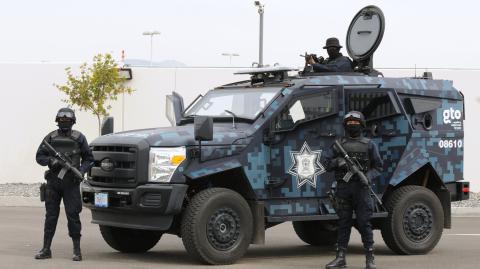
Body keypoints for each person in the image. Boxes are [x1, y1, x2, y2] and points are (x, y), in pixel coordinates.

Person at [325, 111, 383, 269]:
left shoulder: (370, 144)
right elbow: (326, 164)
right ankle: (340, 258)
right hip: (344, 188)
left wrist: (367, 176)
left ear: (362, 125)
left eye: (355, 123)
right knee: (344, 223)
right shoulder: (339, 144)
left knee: (364, 223)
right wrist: (339, 162)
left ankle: (370, 258)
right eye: (349, 123)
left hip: (362, 189)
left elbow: (378, 167)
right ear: (345, 125)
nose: (352, 125)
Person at [34, 108, 93, 261]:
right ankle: (46, 249)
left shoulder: (79, 138)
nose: (64, 122)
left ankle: (77, 250)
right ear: (57, 121)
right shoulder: (51, 138)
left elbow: (89, 158)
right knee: (51, 216)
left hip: (71, 183)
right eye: (62, 120)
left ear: (73, 121)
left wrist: (80, 171)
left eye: (67, 120)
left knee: (73, 216)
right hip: (53, 182)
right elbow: (39, 156)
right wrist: (50, 161)